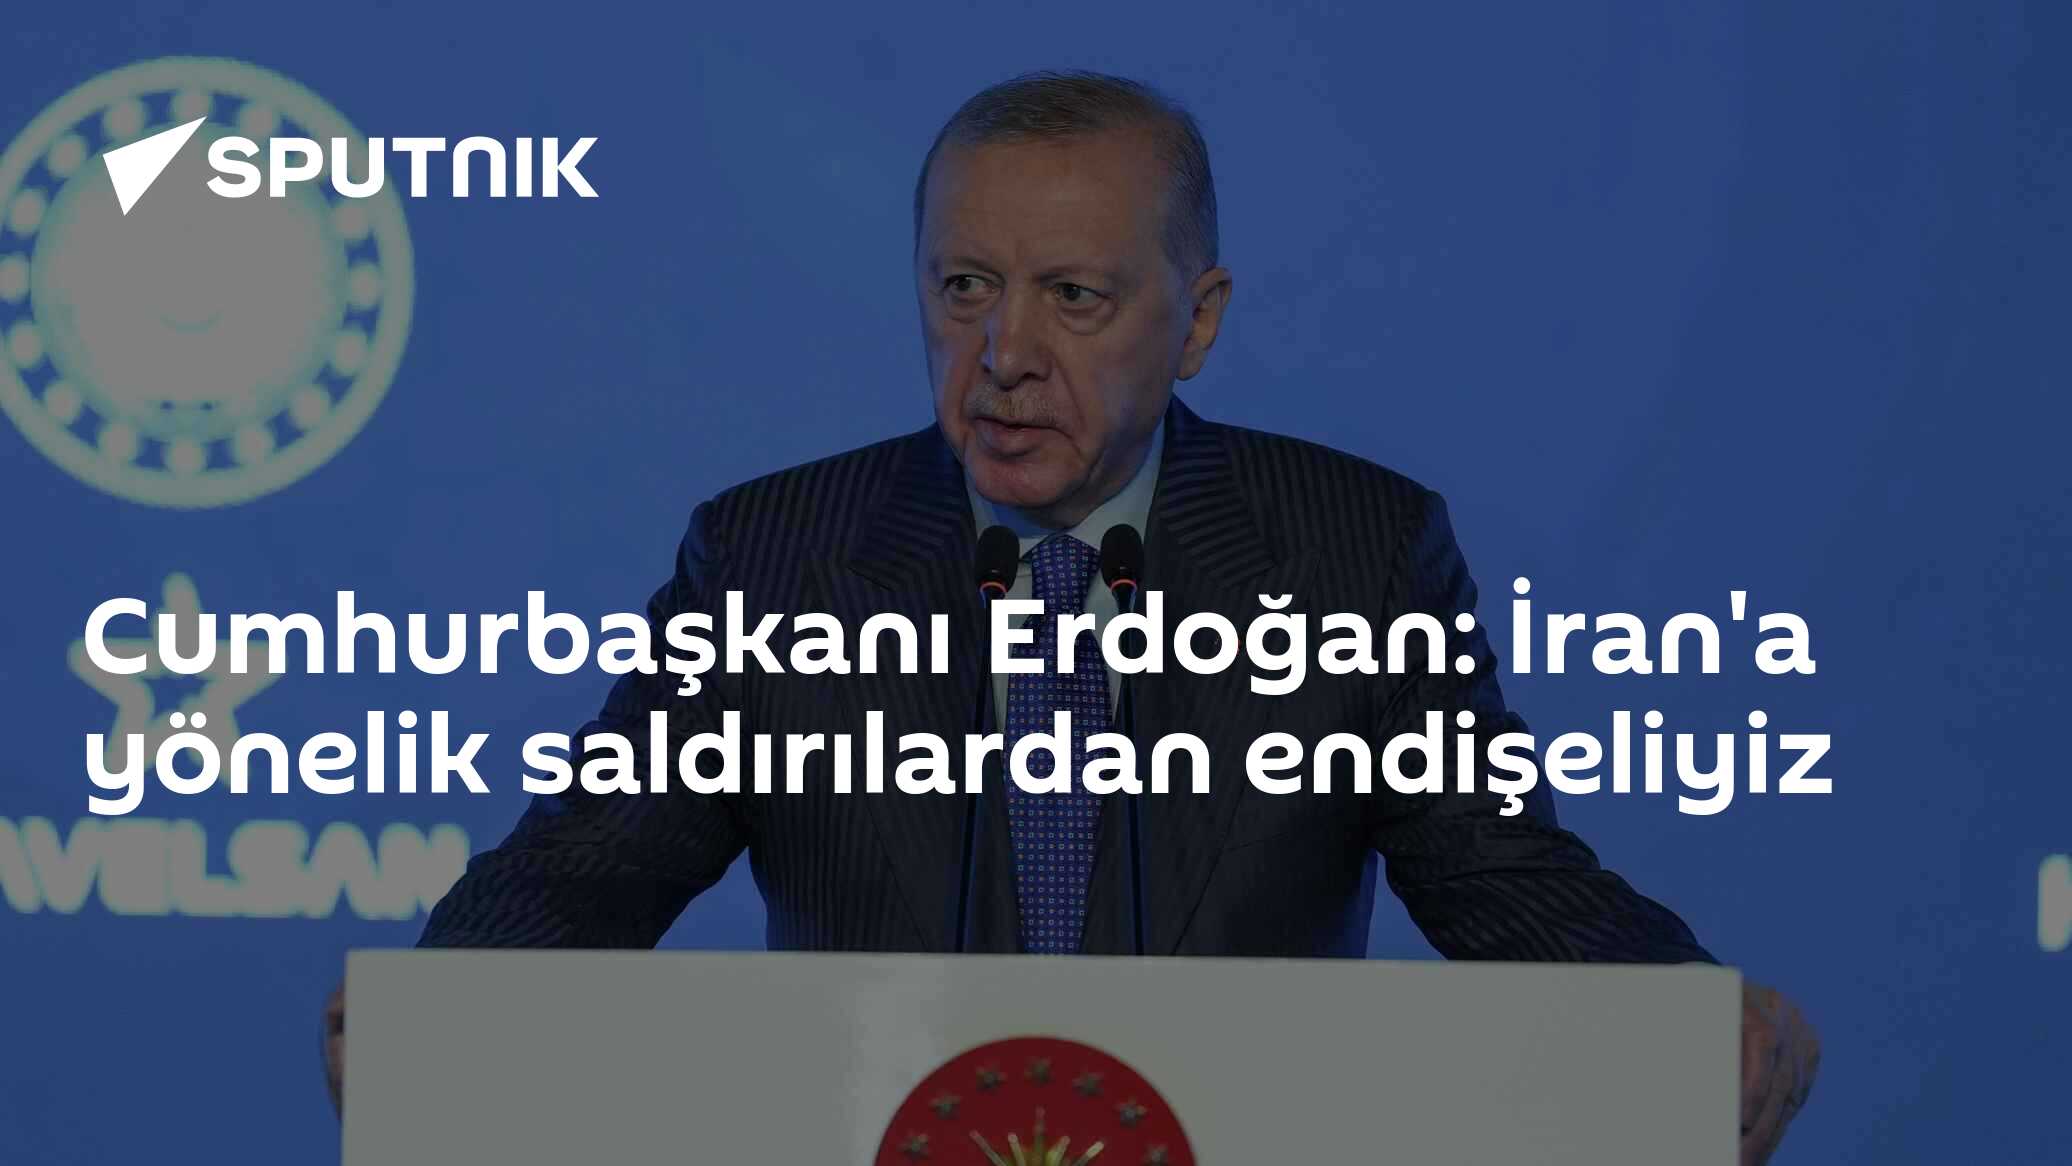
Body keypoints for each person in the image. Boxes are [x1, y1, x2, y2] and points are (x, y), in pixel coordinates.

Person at [322, 71, 1818, 1162]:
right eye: (965, 286)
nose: (1004, 353)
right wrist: (443, 1009)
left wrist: (1684, 1021)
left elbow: (1497, 874)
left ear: (1199, 319)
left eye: (1074, 298)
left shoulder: (1354, 554)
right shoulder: (777, 559)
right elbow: (589, 862)